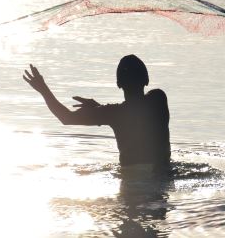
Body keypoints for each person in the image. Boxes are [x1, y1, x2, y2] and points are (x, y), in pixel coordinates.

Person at [23, 55, 171, 172]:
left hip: (132, 180)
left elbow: (66, 118)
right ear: (146, 79)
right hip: (163, 174)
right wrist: (99, 109)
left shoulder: (114, 114)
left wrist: (43, 90)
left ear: (119, 84)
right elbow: (136, 116)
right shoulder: (158, 99)